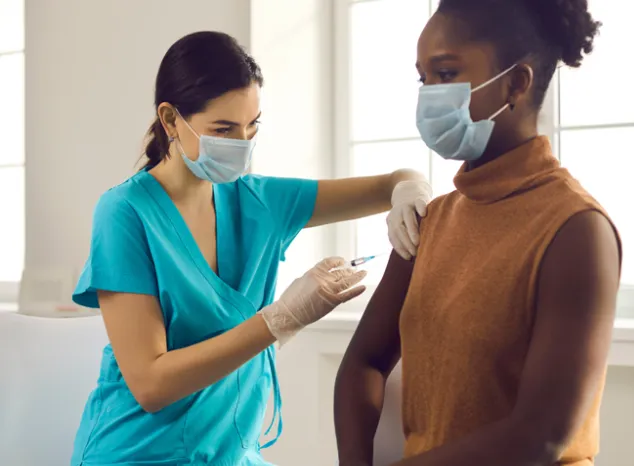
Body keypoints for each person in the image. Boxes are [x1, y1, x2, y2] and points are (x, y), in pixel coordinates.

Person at [70, 31, 432, 466]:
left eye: (252, 125)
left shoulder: (259, 201)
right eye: (223, 130)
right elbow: (151, 385)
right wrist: (280, 319)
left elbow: (391, 182)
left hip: (231, 455)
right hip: (139, 453)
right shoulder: (125, 214)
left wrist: (410, 189)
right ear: (170, 120)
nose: (242, 144)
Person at [334, 1, 622, 465]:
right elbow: (363, 363)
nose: (429, 95)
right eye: (423, 78)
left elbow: (540, 436)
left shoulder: (576, 231)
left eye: (446, 74)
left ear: (516, 83)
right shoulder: (430, 222)